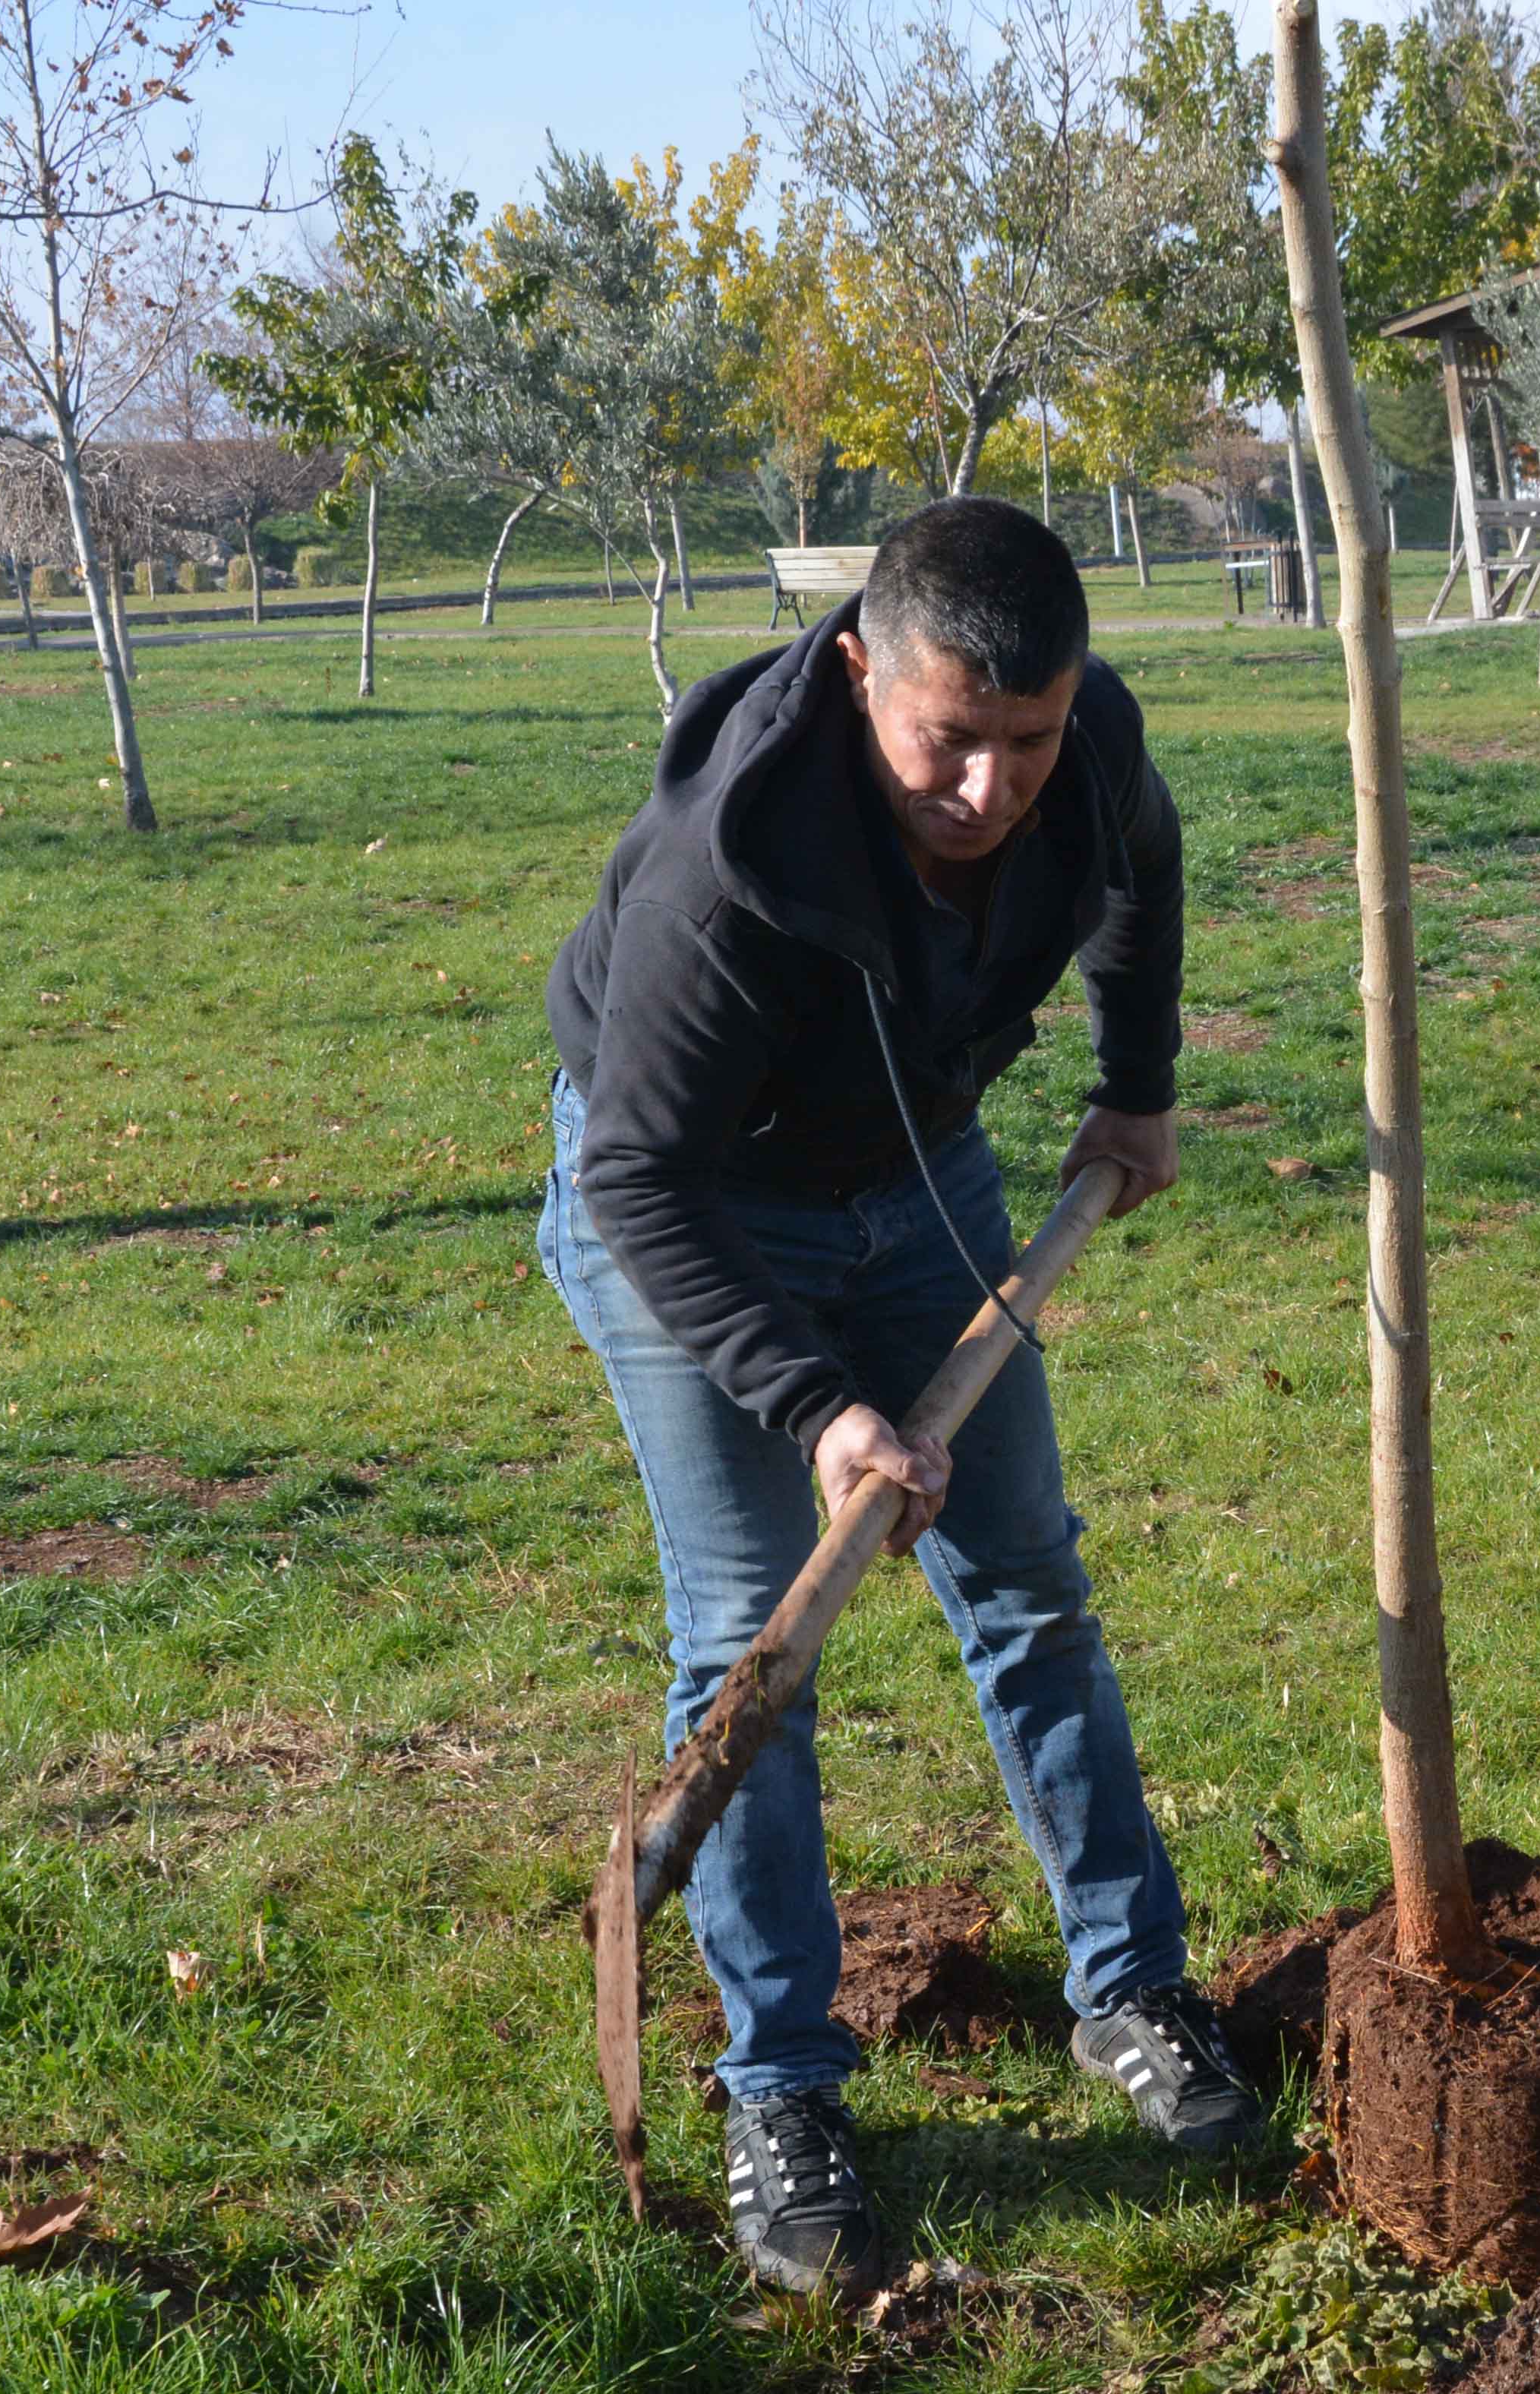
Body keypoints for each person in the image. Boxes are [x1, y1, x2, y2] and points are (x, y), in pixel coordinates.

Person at [540, 497, 1257, 2295]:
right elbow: (639, 1182)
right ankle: (778, 2082)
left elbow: (1140, 863)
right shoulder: (737, 863)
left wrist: (1138, 1080)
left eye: (1027, 741)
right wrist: (818, 1401)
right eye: (952, 740)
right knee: (745, 1638)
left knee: (1024, 1574)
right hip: (702, 1200)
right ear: (863, 671)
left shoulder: (1083, 752)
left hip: (926, 1177)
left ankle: (1130, 1987)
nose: (987, 789)